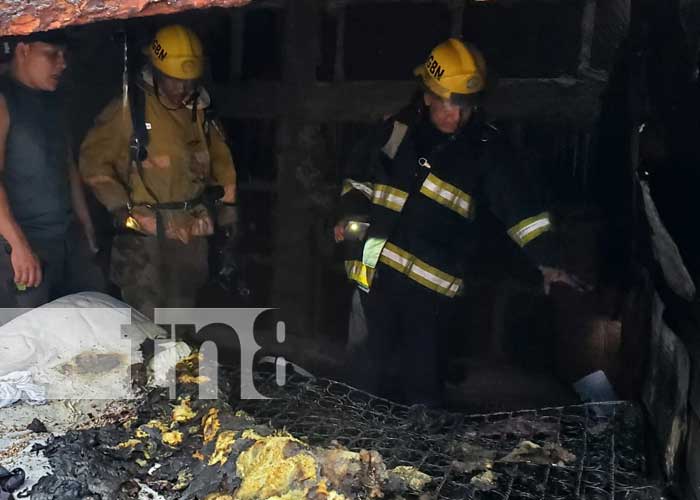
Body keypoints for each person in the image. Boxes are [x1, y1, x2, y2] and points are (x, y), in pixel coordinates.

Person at [335, 38, 585, 407]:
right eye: (449, 104)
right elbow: (358, 179)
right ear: (428, 96)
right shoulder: (396, 132)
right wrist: (350, 216)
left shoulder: (487, 151)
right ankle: (353, 447)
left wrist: (549, 263)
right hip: (373, 278)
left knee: (421, 387)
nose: (457, 117)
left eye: (466, 106)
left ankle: (412, 458)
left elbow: (522, 212)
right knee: (362, 377)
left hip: (430, 293)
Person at [79, 25, 237, 319]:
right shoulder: (130, 110)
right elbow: (93, 162)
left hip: (190, 234)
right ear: (156, 70)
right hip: (143, 238)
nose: (182, 89)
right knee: (145, 322)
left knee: (183, 317)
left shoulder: (200, 111)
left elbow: (221, 161)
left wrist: (227, 209)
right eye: (174, 80)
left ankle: (180, 365)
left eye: (189, 82)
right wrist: (122, 210)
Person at [0, 30, 105, 308]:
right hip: (23, 246)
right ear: (23, 50)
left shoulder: (53, 99)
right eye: (52, 54)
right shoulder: (4, 100)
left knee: (89, 315)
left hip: (65, 238)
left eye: (64, 55)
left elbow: (66, 164)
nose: (62, 63)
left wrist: (85, 224)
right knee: (28, 335)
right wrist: (18, 246)